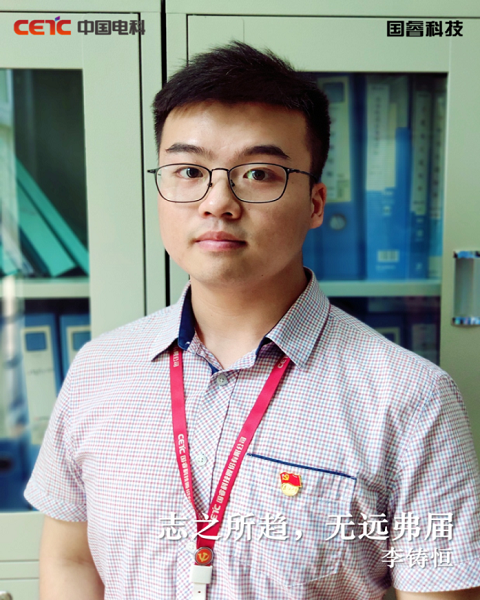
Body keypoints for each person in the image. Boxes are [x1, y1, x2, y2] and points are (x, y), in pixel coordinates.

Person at [25, 42, 480, 600]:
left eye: (259, 173)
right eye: (189, 171)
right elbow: (71, 559)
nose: (217, 202)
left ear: (316, 204)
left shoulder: (411, 398)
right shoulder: (100, 368)